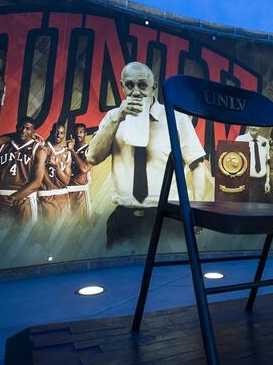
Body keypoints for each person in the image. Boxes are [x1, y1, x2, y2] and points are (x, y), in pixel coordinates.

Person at [87, 62, 206, 248]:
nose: (135, 92)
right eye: (130, 85)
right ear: (122, 85)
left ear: (154, 87)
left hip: (168, 217)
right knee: (121, 274)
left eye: (142, 85)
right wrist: (115, 118)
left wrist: (197, 213)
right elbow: (92, 158)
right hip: (124, 219)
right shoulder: (113, 117)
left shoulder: (176, 119)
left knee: (170, 273)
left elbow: (198, 166)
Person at [0, 116, 45, 226]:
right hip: (0, 197)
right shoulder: (2, 146)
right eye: (21, 127)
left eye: (28, 129)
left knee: (22, 240)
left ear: (33, 132)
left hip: (24, 199)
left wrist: (13, 198)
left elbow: (36, 183)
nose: (23, 131)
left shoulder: (39, 150)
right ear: (16, 127)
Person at [39, 123, 72, 221]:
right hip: (46, 196)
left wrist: (56, 166)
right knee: (46, 232)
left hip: (63, 197)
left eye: (62, 133)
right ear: (51, 132)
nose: (59, 135)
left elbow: (66, 181)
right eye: (57, 132)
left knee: (63, 233)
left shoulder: (67, 153)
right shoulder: (42, 149)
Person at [235, 126, 271, 202]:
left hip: (261, 182)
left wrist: (267, 181)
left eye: (257, 125)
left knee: (259, 210)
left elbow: (267, 163)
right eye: (252, 125)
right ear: (248, 126)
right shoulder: (240, 139)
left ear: (261, 127)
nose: (254, 127)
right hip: (246, 181)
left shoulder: (265, 141)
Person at [67, 123, 93, 221]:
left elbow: (84, 169)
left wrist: (72, 151)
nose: (78, 134)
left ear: (85, 134)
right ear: (72, 134)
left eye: (81, 132)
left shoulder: (90, 150)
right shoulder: (68, 150)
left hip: (80, 193)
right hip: (67, 192)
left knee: (82, 226)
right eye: (76, 132)